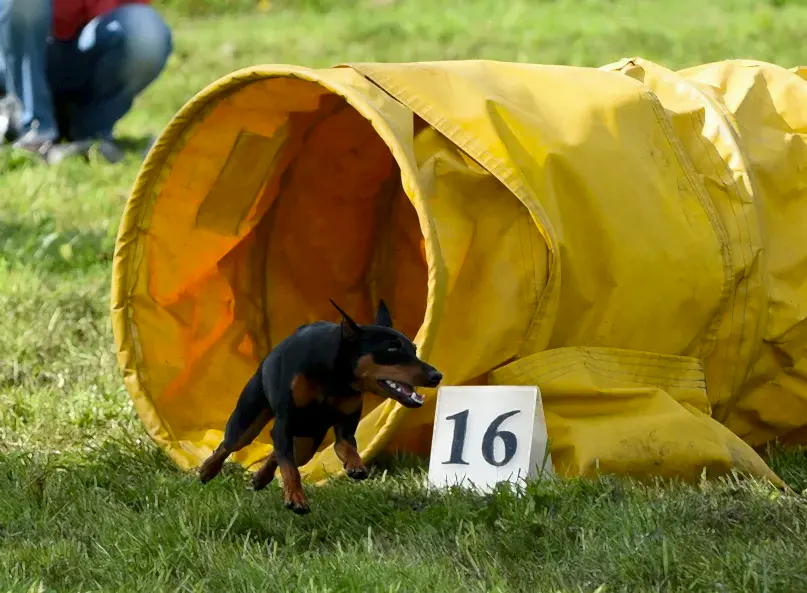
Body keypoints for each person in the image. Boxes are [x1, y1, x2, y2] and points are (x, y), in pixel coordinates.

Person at [0, 0, 172, 163]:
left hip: (85, 48)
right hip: (13, 63)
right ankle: (33, 133)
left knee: (146, 31)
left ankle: (92, 133)